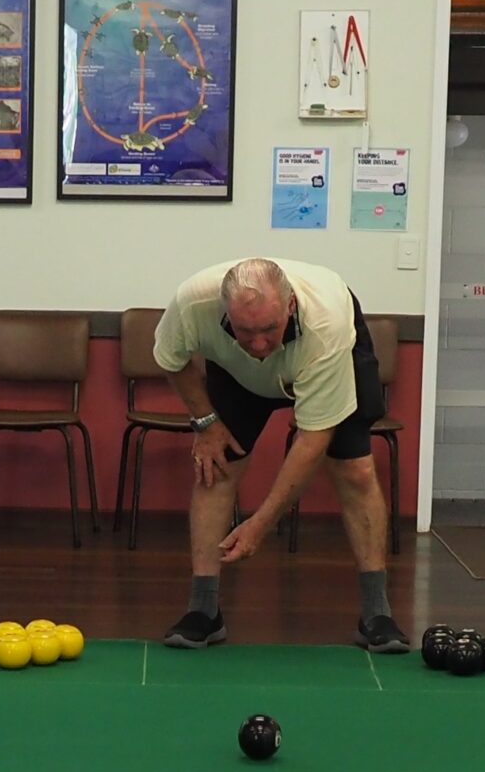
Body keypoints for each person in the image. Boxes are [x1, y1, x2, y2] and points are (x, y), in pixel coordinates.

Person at [152, 257, 410, 654]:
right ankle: (203, 611)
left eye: (268, 329)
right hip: (233, 371)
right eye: (245, 330)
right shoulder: (193, 304)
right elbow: (171, 359)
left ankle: (377, 613)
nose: (258, 345)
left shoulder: (326, 325)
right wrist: (205, 423)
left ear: (289, 306)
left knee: (355, 469)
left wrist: (261, 523)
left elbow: (312, 439)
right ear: (225, 313)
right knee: (215, 468)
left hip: (324, 354)